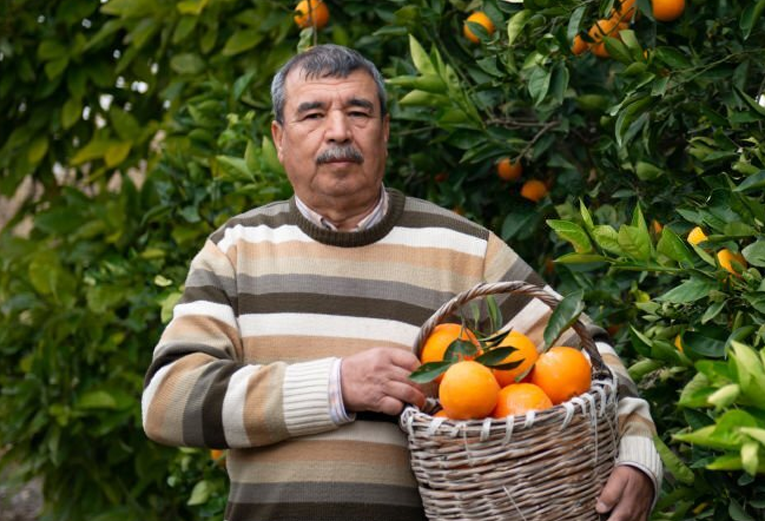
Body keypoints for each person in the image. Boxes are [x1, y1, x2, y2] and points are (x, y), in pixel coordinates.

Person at [142, 44, 660, 520]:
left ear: (385, 131)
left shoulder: (464, 250)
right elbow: (167, 403)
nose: (339, 131)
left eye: (359, 112)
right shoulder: (236, 249)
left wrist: (637, 454)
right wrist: (335, 386)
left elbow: (584, 354)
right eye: (314, 113)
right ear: (280, 138)